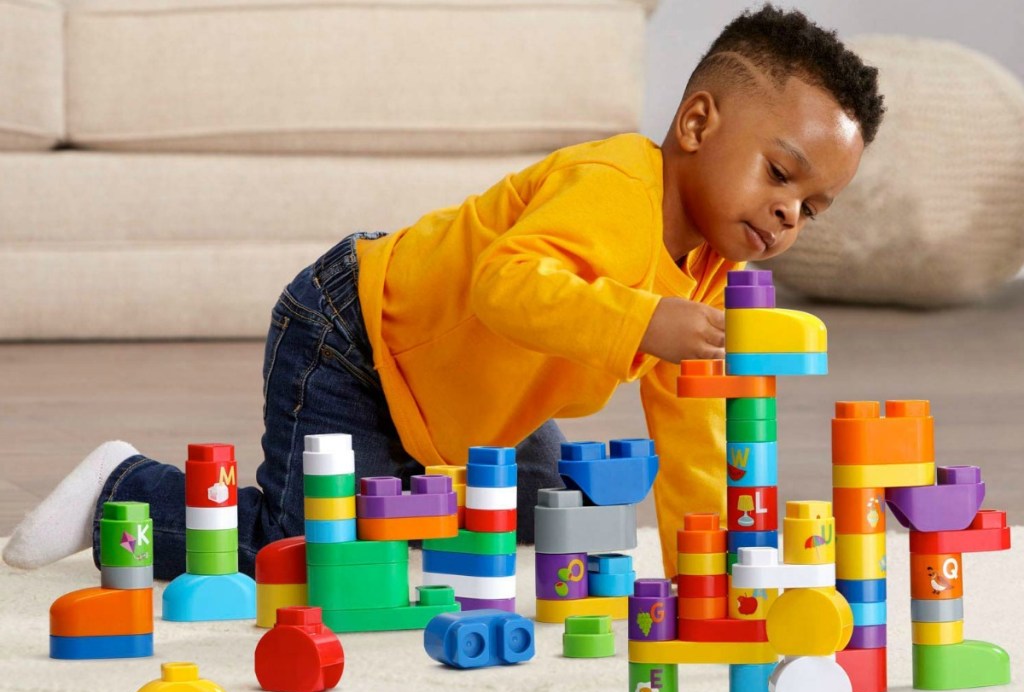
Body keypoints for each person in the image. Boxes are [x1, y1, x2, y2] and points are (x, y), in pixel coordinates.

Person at [3, 4, 884, 580]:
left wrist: (715, 563)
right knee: (303, 553)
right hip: (356, 339)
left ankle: (420, 492)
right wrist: (643, 318)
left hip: (471, 412)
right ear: (697, 123)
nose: (788, 212)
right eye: (780, 173)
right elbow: (507, 285)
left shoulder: (708, 276)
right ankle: (125, 488)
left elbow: (693, 420)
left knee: (546, 534)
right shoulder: (616, 183)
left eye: (812, 205)